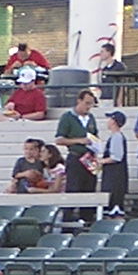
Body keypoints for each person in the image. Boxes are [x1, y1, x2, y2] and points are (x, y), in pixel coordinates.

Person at [54, 88, 100, 217]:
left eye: (91, 104)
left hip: (90, 157)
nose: (88, 107)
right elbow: (59, 139)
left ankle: (88, 218)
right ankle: (68, 220)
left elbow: (95, 134)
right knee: (73, 188)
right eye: (86, 103)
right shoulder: (67, 117)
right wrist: (79, 141)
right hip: (76, 156)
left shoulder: (91, 118)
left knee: (90, 188)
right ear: (79, 101)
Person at [99, 109, 131, 216]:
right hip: (113, 176)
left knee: (114, 206)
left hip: (115, 177)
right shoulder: (115, 136)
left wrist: (101, 161)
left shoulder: (117, 137)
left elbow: (116, 157)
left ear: (114, 121)